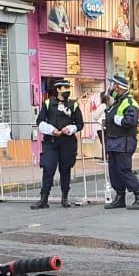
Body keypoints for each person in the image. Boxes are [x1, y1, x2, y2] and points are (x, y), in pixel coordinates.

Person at [34, 79, 85, 209]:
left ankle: (65, 198)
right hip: (51, 142)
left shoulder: (73, 104)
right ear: (57, 89)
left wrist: (70, 129)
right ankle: (44, 199)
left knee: (65, 169)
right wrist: (51, 130)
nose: (67, 90)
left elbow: (80, 124)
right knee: (48, 168)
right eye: (64, 88)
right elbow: (39, 121)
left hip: (67, 142)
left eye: (68, 87)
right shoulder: (48, 103)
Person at [103, 74, 139, 210]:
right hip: (113, 142)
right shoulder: (117, 102)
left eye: (113, 86)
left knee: (124, 170)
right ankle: (120, 197)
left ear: (118, 87)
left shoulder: (129, 102)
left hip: (124, 142)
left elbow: (131, 121)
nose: (111, 88)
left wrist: (115, 119)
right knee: (114, 172)